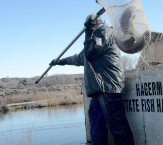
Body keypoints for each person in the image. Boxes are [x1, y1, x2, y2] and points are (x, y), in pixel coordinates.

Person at [50, 14, 135, 145]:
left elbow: (91, 51)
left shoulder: (105, 31)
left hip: (108, 86)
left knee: (118, 127)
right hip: (98, 90)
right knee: (96, 126)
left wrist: (88, 30)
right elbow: (80, 57)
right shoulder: (94, 39)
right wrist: (61, 62)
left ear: (93, 25)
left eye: (88, 26)